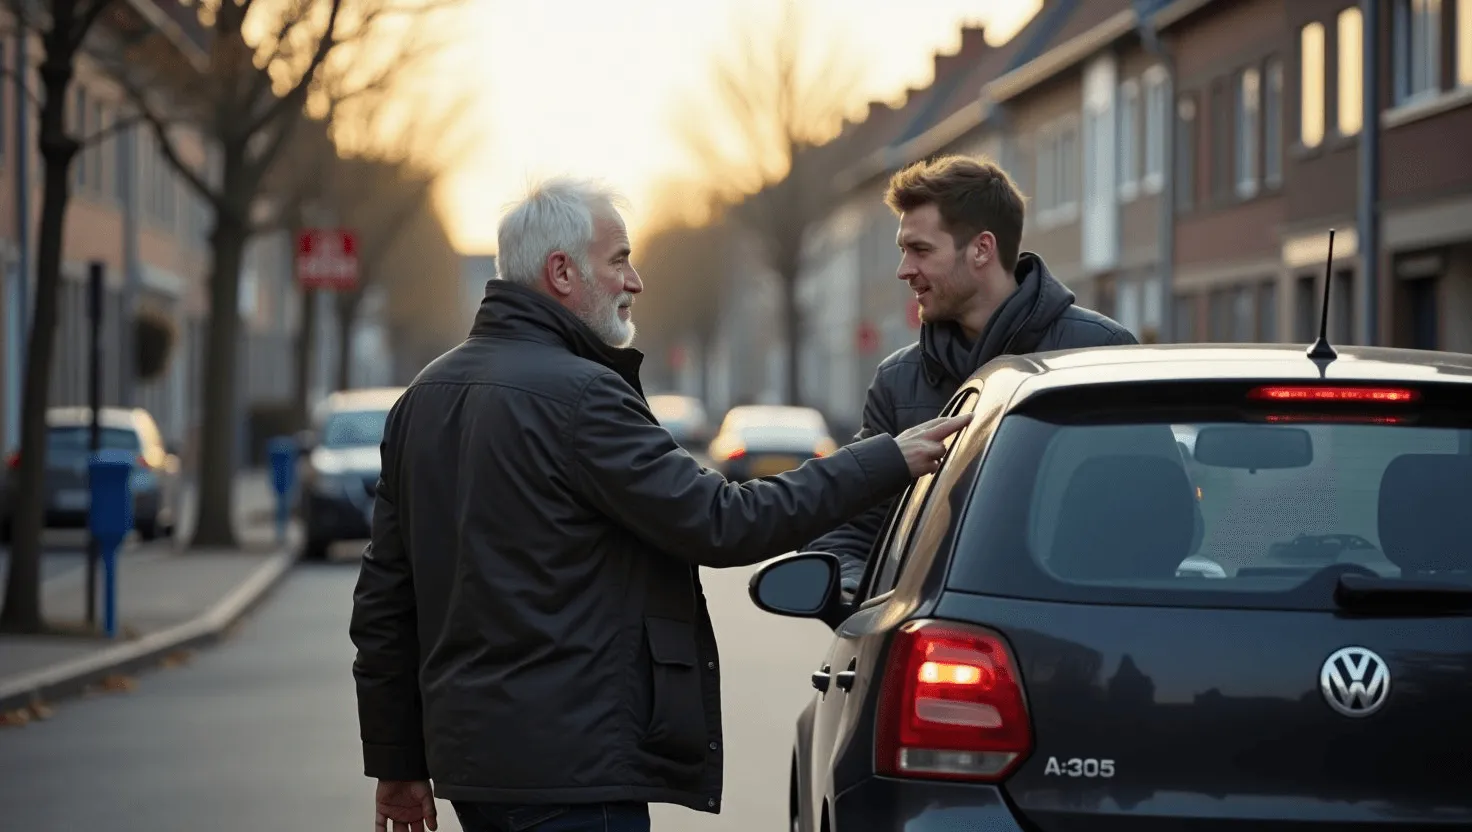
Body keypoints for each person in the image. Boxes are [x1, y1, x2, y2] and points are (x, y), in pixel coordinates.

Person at [349, 177, 973, 832]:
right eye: (618, 259)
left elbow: (386, 603)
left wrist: (397, 763)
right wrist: (884, 460)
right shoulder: (583, 398)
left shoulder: (423, 398)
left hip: (473, 770)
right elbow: (723, 521)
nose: (635, 280)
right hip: (574, 773)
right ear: (562, 272)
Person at [806, 154, 1137, 594]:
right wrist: (855, 598)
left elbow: (1159, 519)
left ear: (982, 249)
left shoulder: (1100, 354)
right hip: (935, 651)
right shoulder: (898, 381)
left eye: (921, 250)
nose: (904, 270)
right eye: (903, 250)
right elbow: (852, 532)